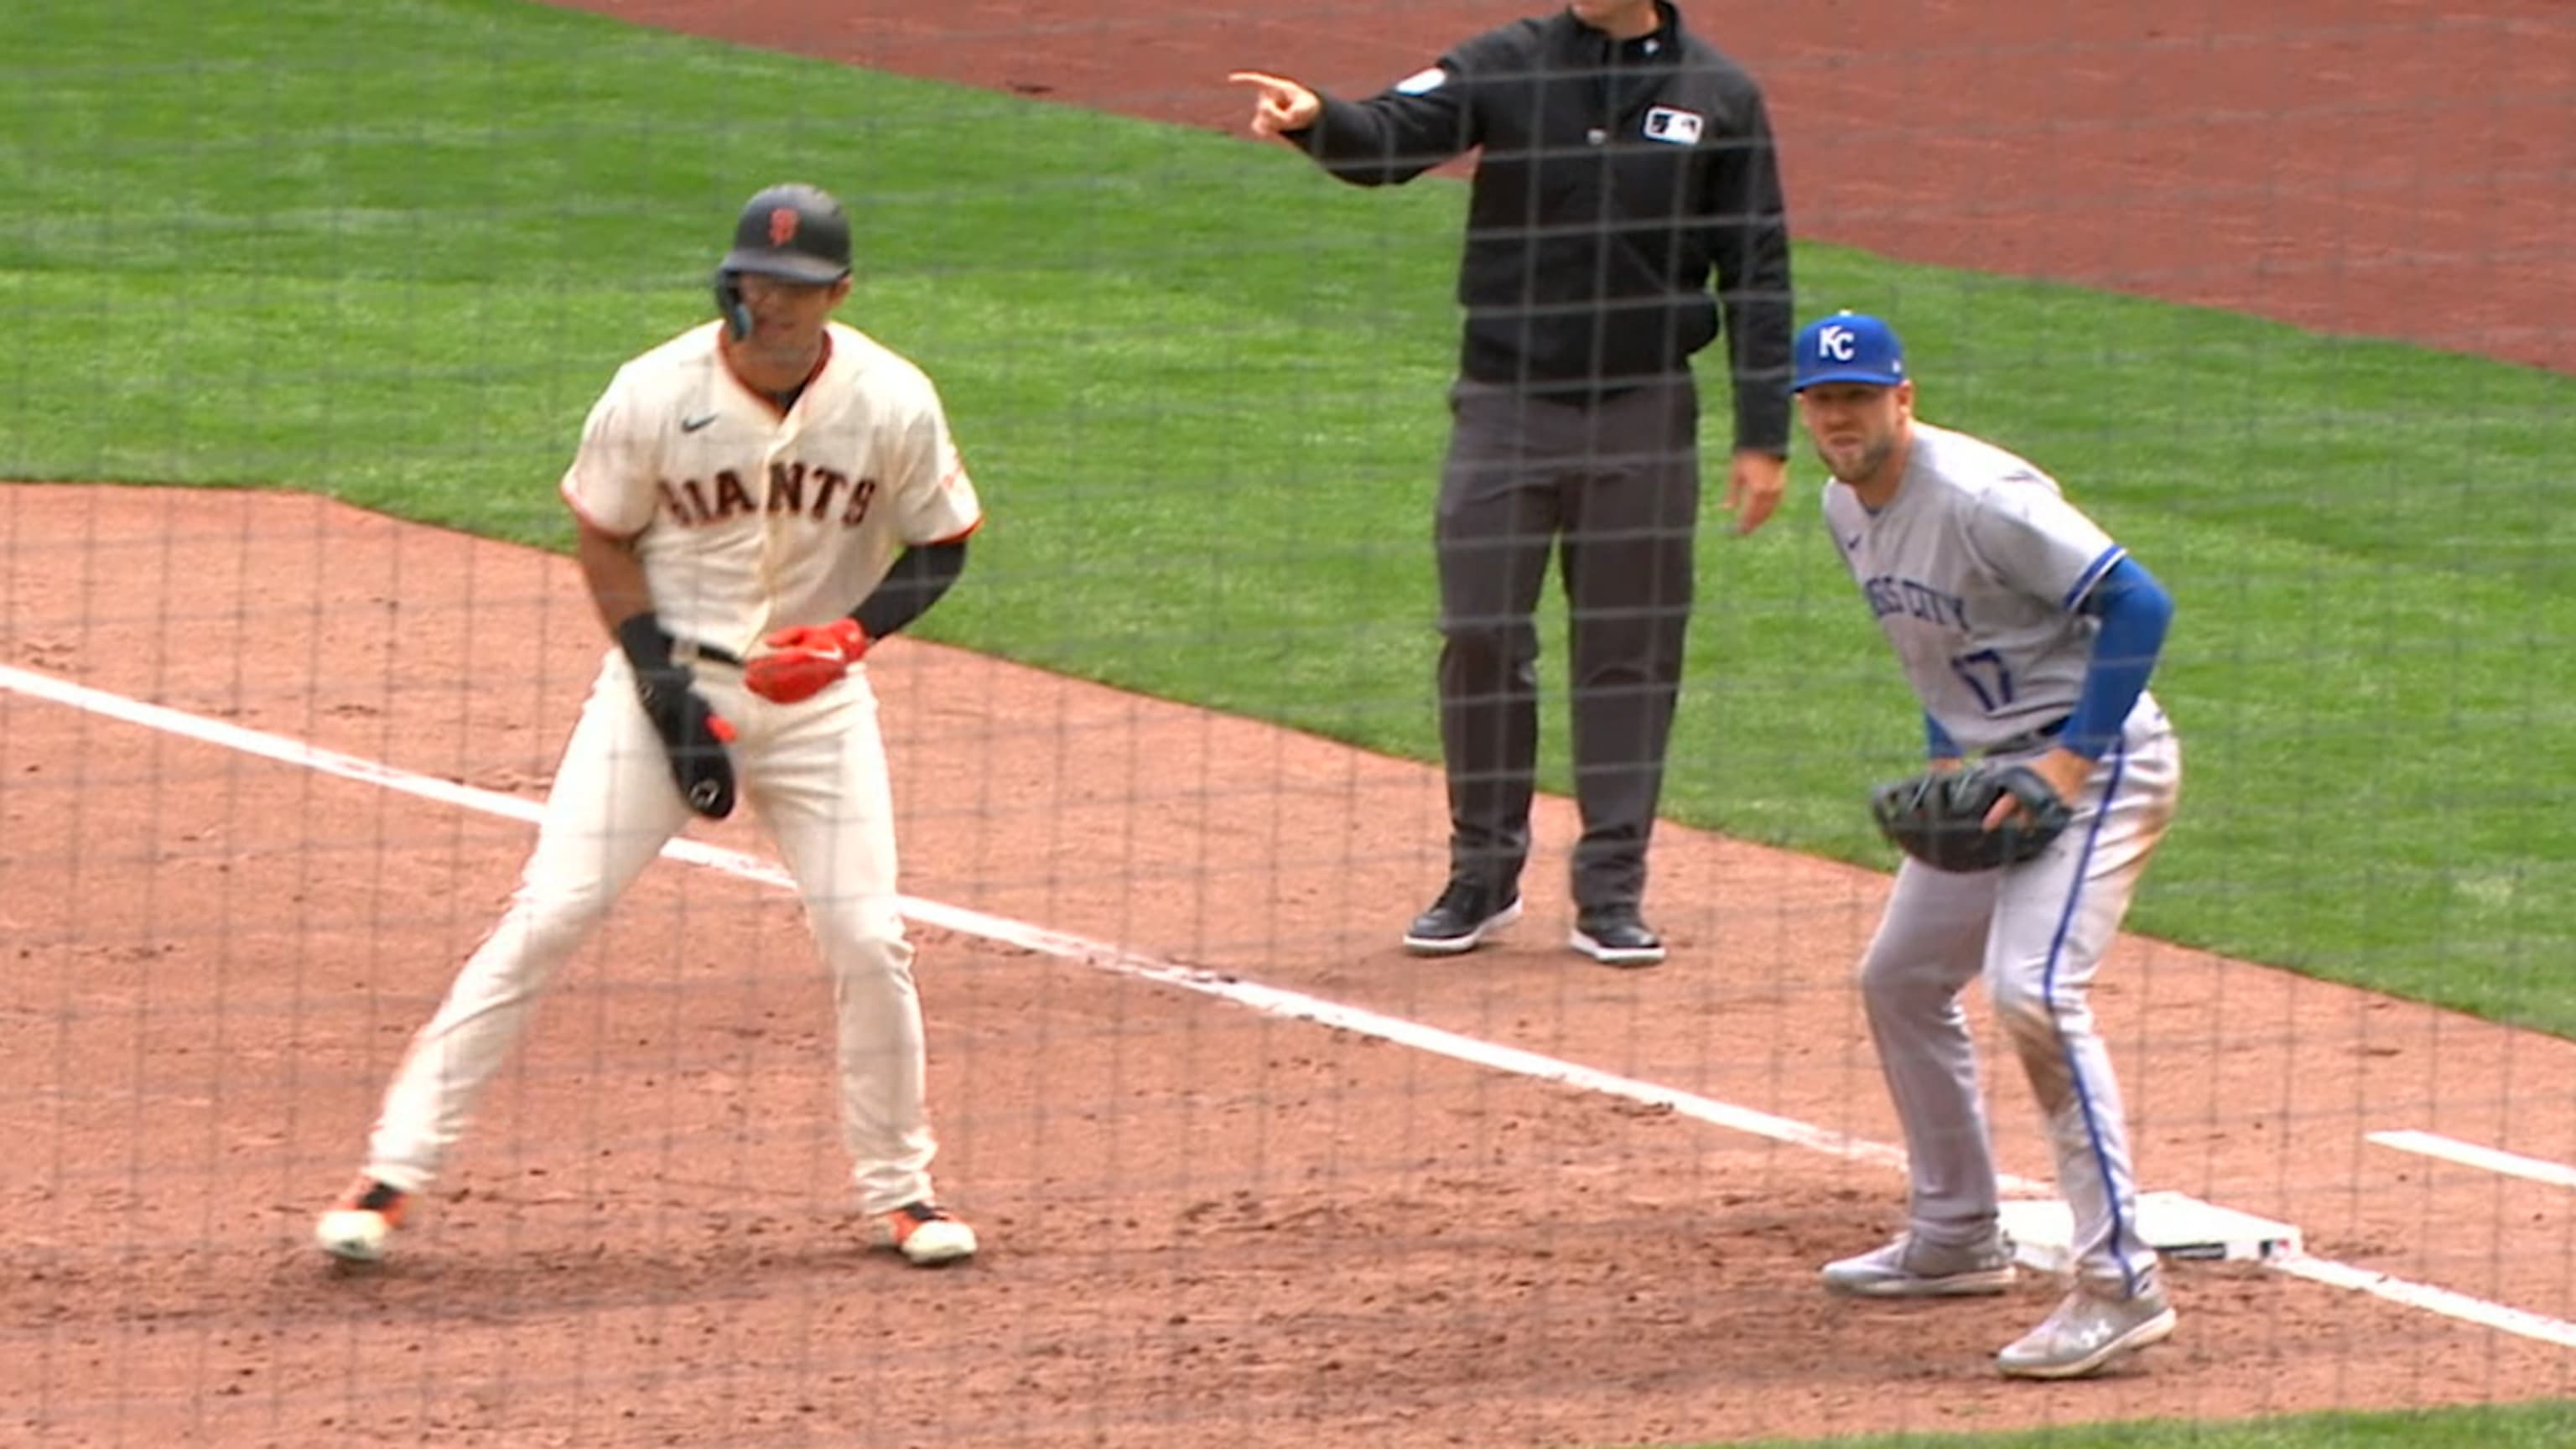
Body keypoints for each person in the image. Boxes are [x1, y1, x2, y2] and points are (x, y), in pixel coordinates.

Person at [315, 183, 984, 1269]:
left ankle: (904, 1194)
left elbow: (943, 542)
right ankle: (392, 1174)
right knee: (553, 912)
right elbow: (605, 538)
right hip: (660, 689)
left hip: (816, 710)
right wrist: (665, 690)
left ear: (840, 294)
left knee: (870, 938)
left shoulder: (892, 398)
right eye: (755, 280)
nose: (770, 301)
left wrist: (854, 637)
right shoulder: (653, 389)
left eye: (797, 287)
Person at [1229, 0, 1794, 968]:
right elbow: (1394, 137)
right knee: (1481, 633)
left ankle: (1611, 891)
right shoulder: (1507, 60)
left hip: (1643, 408)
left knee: (1631, 650)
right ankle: (1482, 874)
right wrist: (1317, 117)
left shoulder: (1720, 94)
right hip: (1504, 403)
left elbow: (1758, 270)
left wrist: (1762, 433)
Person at [1794, 311, 2182, 1379]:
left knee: (2036, 991)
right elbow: (1941, 644)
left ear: (1902, 399)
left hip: (2098, 767)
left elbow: (2141, 603)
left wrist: (2068, 761)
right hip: (1998, 779)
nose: (1841, 418)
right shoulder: (1842, 506)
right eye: (1823, 402)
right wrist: (1947, 757)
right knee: (1902, 978)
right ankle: (1958, 1235)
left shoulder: (1980, 496)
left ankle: (2120, 1286)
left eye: (1860, 398)